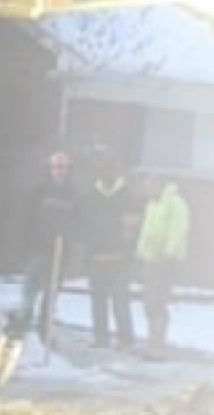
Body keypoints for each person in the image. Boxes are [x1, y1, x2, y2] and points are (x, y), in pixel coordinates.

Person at [73, 148, 138, 349]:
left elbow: (133, 225)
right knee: (98, 300)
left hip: (120, 258)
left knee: (120, 300)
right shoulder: (91, 195)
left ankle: (125, 339)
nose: (108, 171)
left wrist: (128, 248)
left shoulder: (128, 195)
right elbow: (84, 224)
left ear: (117, 170)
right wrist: (86, 249)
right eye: (104, 167)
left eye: (112, 167)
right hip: (96, 257)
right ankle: (100, 337)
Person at [15, 150, 78, 339]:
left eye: (63, 167)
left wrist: (69, 244)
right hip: (37, 250)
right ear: (49, 169)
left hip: (59, 253)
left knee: (50, 298)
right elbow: (27, 219)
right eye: (56, 167)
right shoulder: (39, 191)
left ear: (69, 170)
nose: (59, 171)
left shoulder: (73, 194)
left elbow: (77, 223)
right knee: (29, 293)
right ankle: (21, 332)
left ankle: (45, 333)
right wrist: (26, 245)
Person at [135, 174, 190, 355]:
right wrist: (141, 254)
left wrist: (169, 255)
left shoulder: (175, 203)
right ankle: (152, 341)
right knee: (149, 303)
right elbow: (146, 230)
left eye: (150, 185)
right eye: (145, 186)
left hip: (165, 262)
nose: (146, 189)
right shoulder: (152, 204)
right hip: (150, 261)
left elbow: (178, 230)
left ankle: (158, 345)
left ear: (159, 184)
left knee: (158, 302)